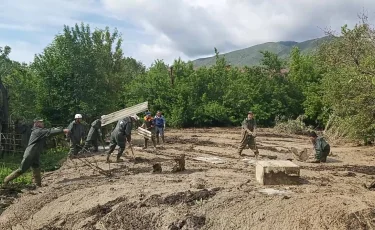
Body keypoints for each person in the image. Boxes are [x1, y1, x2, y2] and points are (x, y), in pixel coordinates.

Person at [3, 118, 69, 186]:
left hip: (35, 153)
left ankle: (38, 185)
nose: (43, 123)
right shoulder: (37, 131)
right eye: (41, 122)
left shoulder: (39, 131)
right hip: (30, 153)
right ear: (36, 123)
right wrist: (63, 130)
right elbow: (49, 132)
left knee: (36, 167)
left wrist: (59, 129)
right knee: (22, 169)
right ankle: (6, 180)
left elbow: (49, 130)